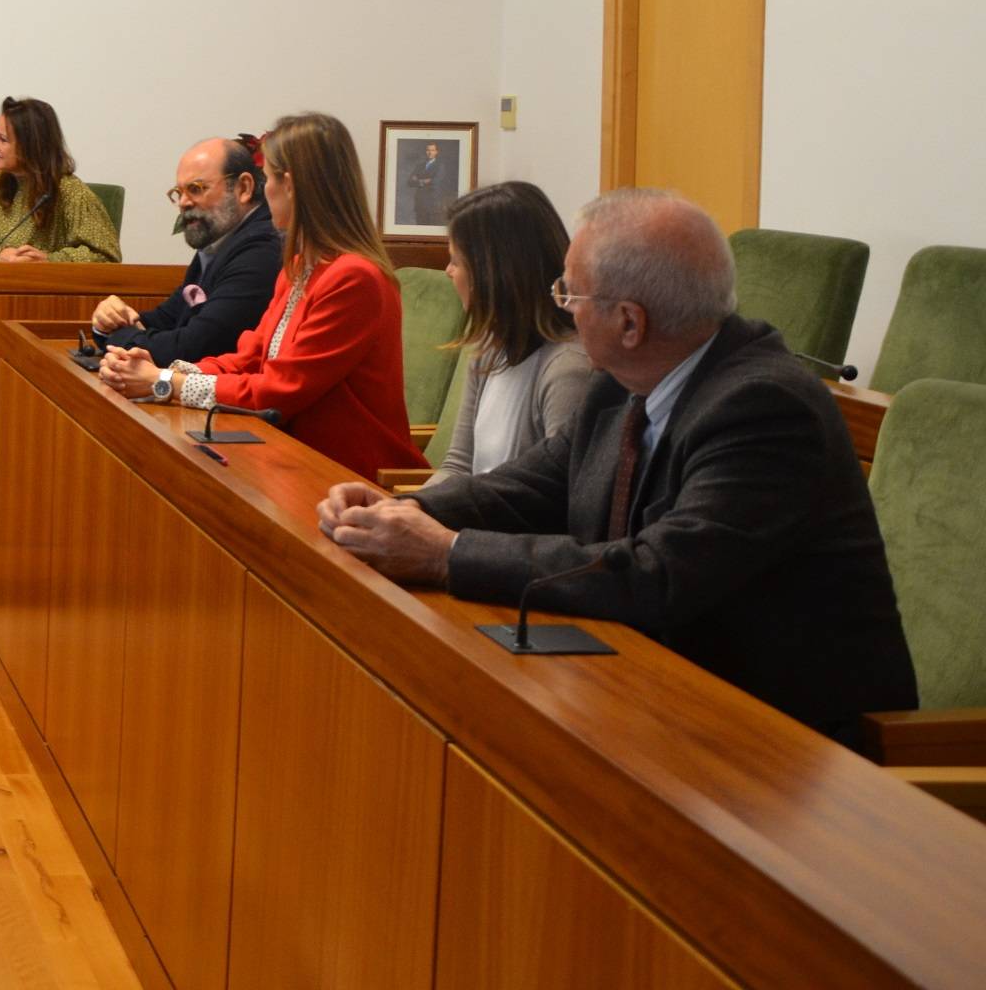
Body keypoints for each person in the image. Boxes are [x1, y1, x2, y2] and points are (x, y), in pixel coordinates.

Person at [315, 189, 917, 743]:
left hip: (781, 742)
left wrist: (445, 553)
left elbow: (658, 574)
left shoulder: (764, 409)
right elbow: (536, 483)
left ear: (630, 321)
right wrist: (403, 511)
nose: (564, 311)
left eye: (569, 294)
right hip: (654, 683)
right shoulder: (624, 383)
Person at [98, 111, 418, 478]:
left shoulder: (355, 278)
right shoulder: (300, 268)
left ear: (291, 184)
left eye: (269, 178)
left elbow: (278, 391)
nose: (265, 190)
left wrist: (164, 383)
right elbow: (248, 358)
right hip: (291, 458)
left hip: (346, 477)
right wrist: (160, 372)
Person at [423, 182, 593, 485]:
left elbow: (556, 499)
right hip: (473, 523)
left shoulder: (567, 368)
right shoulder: (489, 348)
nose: (449, 271)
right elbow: (458, 466)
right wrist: (402, 508)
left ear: (493, 273)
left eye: (456, 261)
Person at [89, 135, 280, 365]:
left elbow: (193, 347)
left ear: (244, 188)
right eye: (179, 193)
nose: (183, 203)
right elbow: (168, 318)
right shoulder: (219, 244)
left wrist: (119, 335)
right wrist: (111, 320)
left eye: (196, 189)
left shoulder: (261, 250)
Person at [0, 97, 121, 262]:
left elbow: (107, 257)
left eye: (3, 139)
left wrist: (48, 261)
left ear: (29, 145)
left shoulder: (71, 192)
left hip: (46, 289)